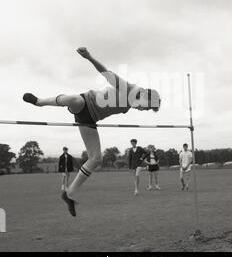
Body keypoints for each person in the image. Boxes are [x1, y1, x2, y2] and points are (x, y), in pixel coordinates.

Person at [23, 47, 161, 216]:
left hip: (89, 120)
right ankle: (39, 101)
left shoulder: (132, 103)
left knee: (96, 158)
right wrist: (89, 57)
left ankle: (69, 194)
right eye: (145, 108)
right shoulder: (128, 89)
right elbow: (105, 72)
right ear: (145, 96)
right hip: (85, 103)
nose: (142, 110)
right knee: (73, 100)